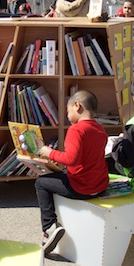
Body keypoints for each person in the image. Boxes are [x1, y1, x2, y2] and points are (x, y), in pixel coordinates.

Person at [35, 90, 109, 255]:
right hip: (100, 185)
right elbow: (84, 159)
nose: (67, 115)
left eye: (68, 111)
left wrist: (48, 152)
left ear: (77, 106)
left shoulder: (76, 130)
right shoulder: (100, 130)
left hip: (81, 187)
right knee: (56, 176)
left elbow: (72, 159)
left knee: (41, 183)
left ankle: (49, 227)